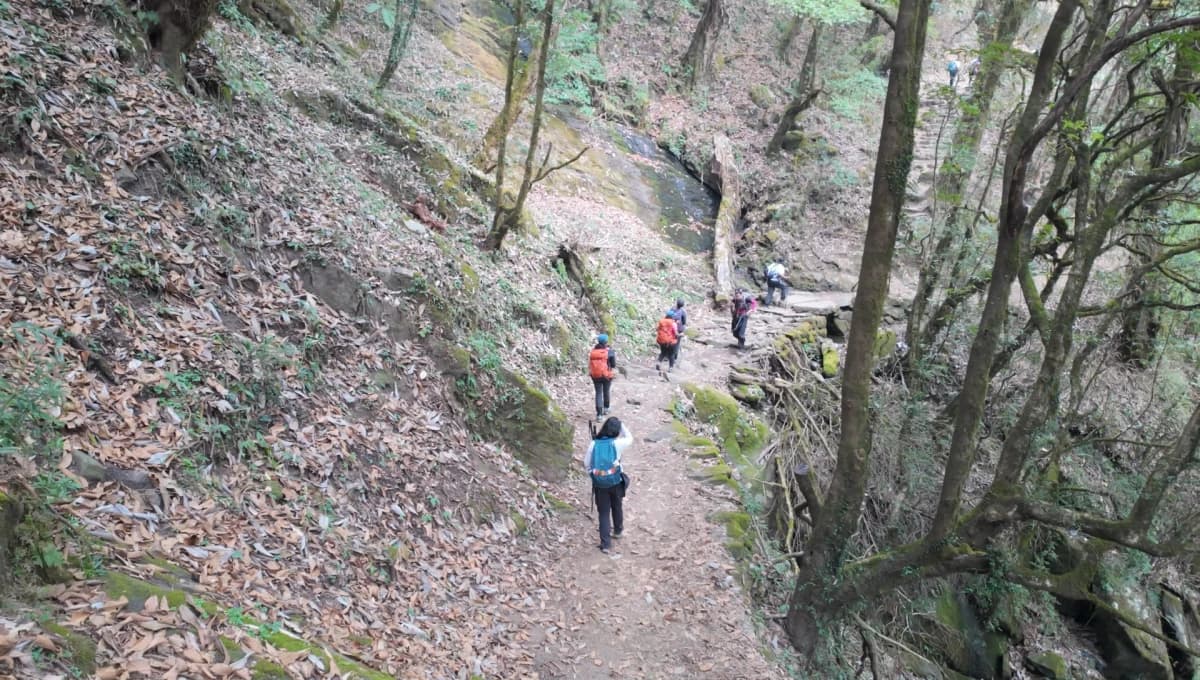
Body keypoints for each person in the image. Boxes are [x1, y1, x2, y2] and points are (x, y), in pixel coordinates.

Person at [584, 417, 632, 553]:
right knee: (617, 505)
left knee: (604, 513)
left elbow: (586, 463)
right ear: (617, 430)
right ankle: (618, 530)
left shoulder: (594, 444)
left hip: (600, 484)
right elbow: (630, 438)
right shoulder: (617, 443)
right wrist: (621, 424)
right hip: (616, 480)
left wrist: (594, 475)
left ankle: (605, 544)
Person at [588, 334, 616, 418]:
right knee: (606, 391)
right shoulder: (610, 352)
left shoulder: (593, 352)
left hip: (595, 375)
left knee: (598, 393)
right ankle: (606, 408)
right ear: (606, 342)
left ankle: (599, 415)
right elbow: (613, 365)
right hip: (606, 375)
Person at [655, 309, 680, 377]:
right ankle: (670, 368)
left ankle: (658, 363)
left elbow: (657, 329)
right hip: (670, 342)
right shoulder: (673, 323)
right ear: (672, 316)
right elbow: (676, 334)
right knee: (671, 354)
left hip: (662, 341)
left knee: (663, 353)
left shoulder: (661, 322)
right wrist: (680, 335)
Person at [672, 298, 688, 366]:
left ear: (677, 303)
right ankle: (675, 357)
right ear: (683, 305)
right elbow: (684, 322)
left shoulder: (672, 309)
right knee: (677, 343)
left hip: (671, 328)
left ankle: (667, 355)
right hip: (679, 329)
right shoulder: (683, 312)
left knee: (670, 341)